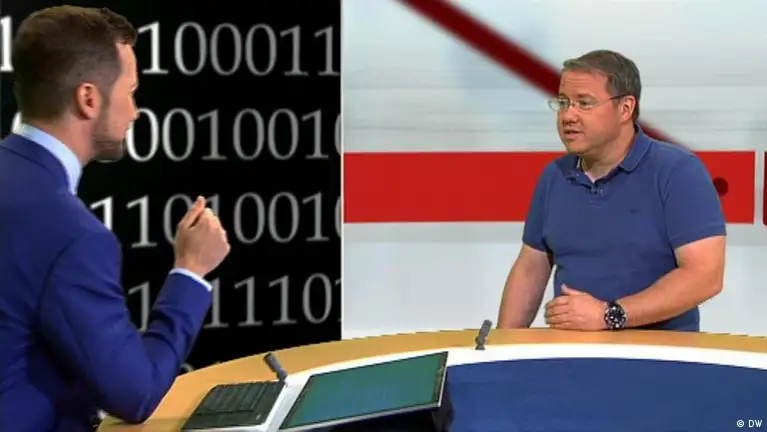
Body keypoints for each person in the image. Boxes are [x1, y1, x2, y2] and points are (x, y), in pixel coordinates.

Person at [0, 6, 230, 431]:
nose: (135, 111)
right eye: (130, 91)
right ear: (88, 99)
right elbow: (136, 394)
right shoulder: (72, 235)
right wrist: (191, 271)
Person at [496, 50, 725, 332]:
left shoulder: (677, 172)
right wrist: (502, 344)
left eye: (584, 103)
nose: (568, 115)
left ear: (625, 108)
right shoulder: (554, 176)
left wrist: (609, 315)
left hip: (660, 352)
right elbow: (531, 268)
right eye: (563, 102)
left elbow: (705, 276)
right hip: (570, 351)